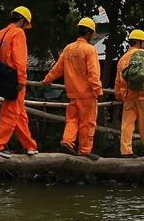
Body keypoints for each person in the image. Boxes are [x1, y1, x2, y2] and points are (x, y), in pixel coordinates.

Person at [0, 6, 38, 158]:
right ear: (23, 21)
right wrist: (22, 80)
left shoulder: (0, 34)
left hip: (1, 78)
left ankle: (30, 146)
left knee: (19, 113)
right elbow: (20, 60)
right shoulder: (18, 33)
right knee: (10, 114)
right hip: (14, 80)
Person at [43, 17, 104, 160]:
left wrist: (47, 80)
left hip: (72, 94)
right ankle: (84, 150)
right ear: (89, 33)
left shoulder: (68, 49)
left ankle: (67, 142)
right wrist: (98, 90)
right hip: (87, 95)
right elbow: (93, 74)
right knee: (87, 123)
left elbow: (57, 69)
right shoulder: (90, 50)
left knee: (72, 120)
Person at [115, 29, 144, 158]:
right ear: (139, 42)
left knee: (127, 124)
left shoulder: (122, 59)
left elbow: (118, 80)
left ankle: (126, 151)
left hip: (128, 95)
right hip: (143, 93)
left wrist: (119, 95)